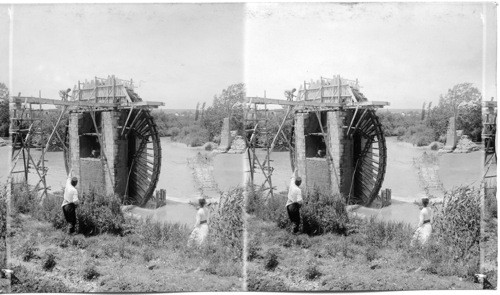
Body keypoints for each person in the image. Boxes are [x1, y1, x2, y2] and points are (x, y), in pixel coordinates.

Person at [62, 168, 79, 234]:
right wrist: (79, 203)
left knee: (69, 222)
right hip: (69, 206)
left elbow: (68, 177)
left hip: (64, 205)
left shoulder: (68, 184)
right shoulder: (74, 190)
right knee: (73, 222)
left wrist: (71, 171)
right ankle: (70, 235)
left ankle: (68, 235)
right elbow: (75, 201)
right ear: (76, 183)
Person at [286, 169, 303, 234]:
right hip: (293, 206)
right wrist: (302, 204)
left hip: (288, 205)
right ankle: (295, 234)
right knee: (297, 221)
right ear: (300, 183)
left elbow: (292, 177)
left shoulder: (292, 184)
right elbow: (299, 201)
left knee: (292, 221)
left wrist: (295, 171)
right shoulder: (298, 190)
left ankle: (291, 233)